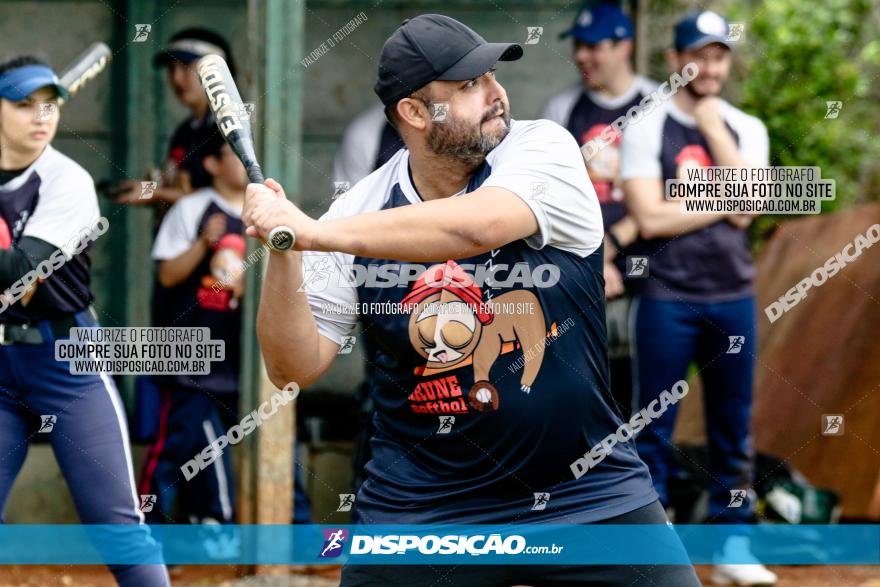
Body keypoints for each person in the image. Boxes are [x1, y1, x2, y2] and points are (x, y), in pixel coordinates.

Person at [245, 14, 700, 586]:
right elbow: (293, 366)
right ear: (413, 112)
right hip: (422, 507)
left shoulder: (543, 150)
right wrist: (283, 251)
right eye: (466, 86)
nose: (494, 95)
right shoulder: (354, 214)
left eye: (490, 75)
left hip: (585, 489)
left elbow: (477, 227)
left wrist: (309, 232)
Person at [619, 10, 777, 586]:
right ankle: (651, 547)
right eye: (698, 55)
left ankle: (734, 546)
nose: (708, 67)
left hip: (732, 294)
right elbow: (646, 215)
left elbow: (748, 211)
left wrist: (712, 127)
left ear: (726, 62)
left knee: (733, 427)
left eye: (718, 56)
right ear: (674, 61)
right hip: (666, 296)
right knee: (652, 424)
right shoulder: (647, 126)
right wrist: (725, 202)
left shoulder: (746, 127)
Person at [0, 56, 169, 586]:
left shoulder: (67, 181)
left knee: (116, 527)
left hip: (66, 362)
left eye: (48, 104)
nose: (40, 116)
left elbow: (18, 277)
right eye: (23, 104)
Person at [540, 2, 657, 417]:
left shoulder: (656, 103)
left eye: (593, 47)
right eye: (577, 46)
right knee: (581, 386)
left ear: (624, 46)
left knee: (640, 389)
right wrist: (592, 260)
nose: (581, 57)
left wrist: (610, 249)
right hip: (579, 270)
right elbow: (550, 197)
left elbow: (670, 193)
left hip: (649, 271)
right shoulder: (561, 110)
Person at [138, 130, 246, 529]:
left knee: (265, 446)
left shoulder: (265, 213)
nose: (242, 160)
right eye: (230, 153)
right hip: (190, 352)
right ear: (213, 165)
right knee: (175, 443)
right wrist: (204, 243)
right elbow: (167, 274)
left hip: (244, 357)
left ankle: (290, 533)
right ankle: (147, 530)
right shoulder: (193, 208)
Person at [115, 27, 236, 207]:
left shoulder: (234, 126)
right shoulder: (185, 130)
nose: (176, 78)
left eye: (186, 67)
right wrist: (150, 190)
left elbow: (231, 197)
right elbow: (181, 188)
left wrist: (158, 193)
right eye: (171, 69)